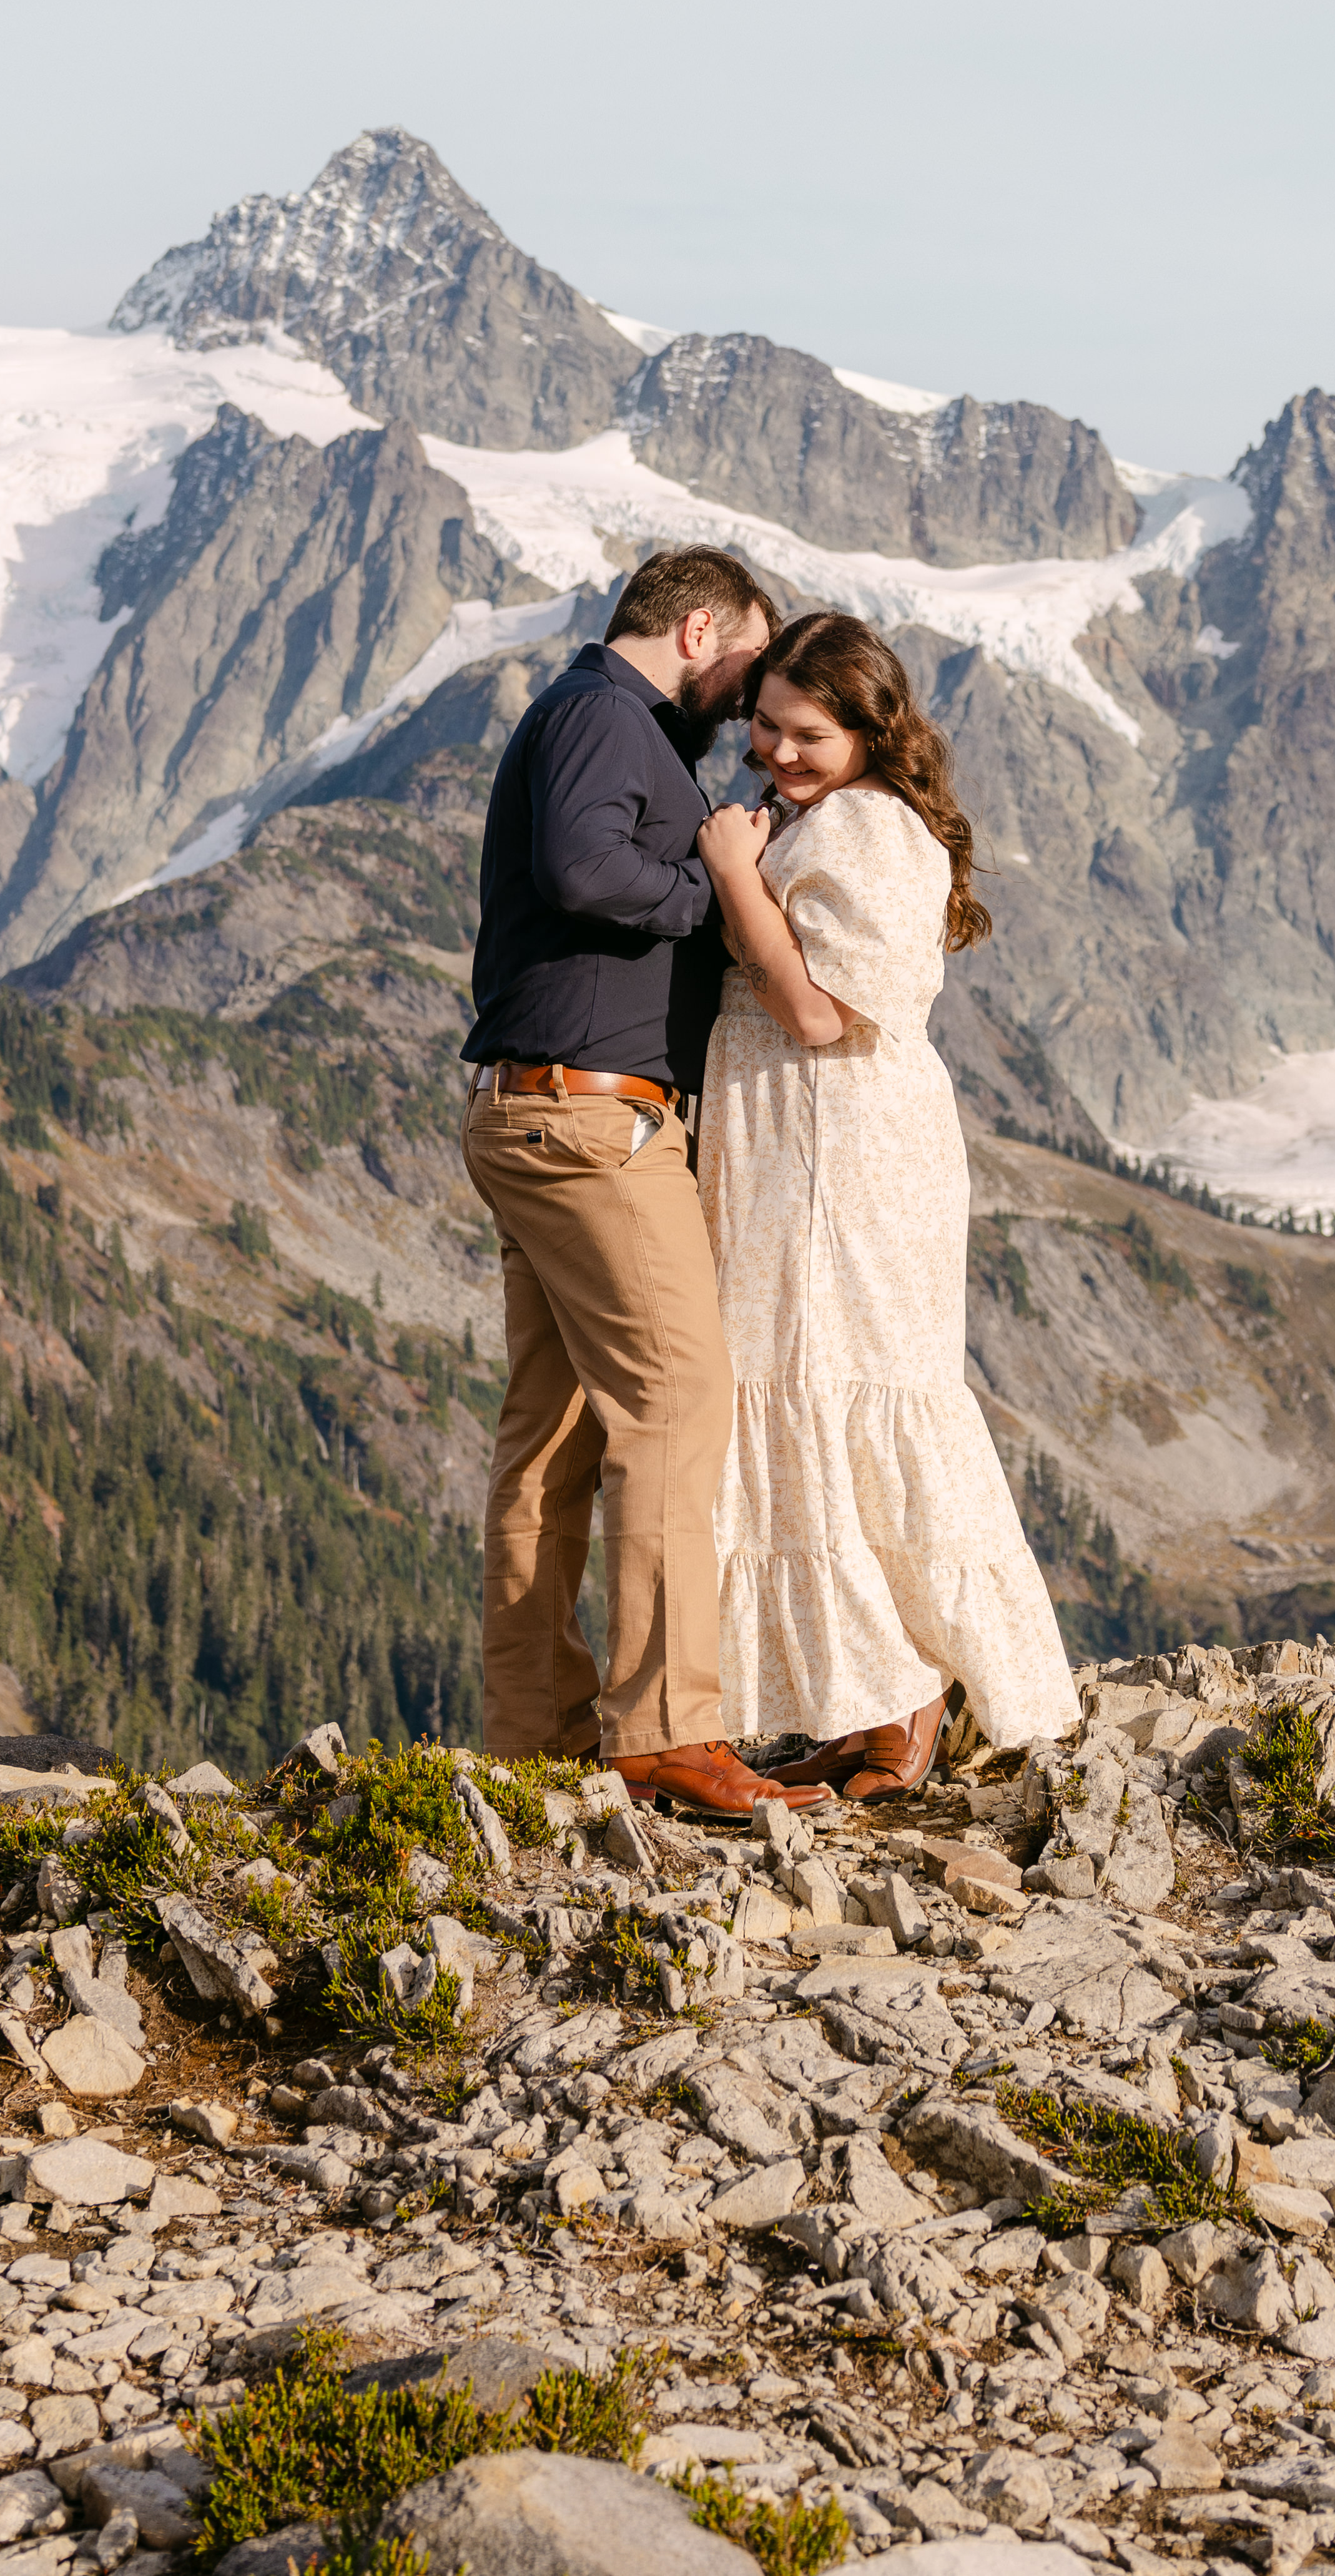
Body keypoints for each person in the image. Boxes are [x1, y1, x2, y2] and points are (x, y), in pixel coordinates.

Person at [691, 612, 1083, 1800]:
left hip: (836, 1152)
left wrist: (727, 872)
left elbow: (818, 1012)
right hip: (802, 1142)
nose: (776, 752)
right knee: (814, 1387)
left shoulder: (867, 828)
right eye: (765, 725)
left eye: (808, 733)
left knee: (833, 1384)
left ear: (871, 730)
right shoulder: (833, 816)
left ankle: (908, 1701)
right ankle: (867, 1703)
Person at [460, 543, 814, 1823]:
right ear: (699, 621)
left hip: (539, 1107)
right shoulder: (610, 716)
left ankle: (537, 1730)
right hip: (590, 1120)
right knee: (679, 1392)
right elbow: (581, 872)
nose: (756, 685)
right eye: (753, 655)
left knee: (550, 1433)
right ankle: (664, 1727)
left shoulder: (590, 717)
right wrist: (716, 889)